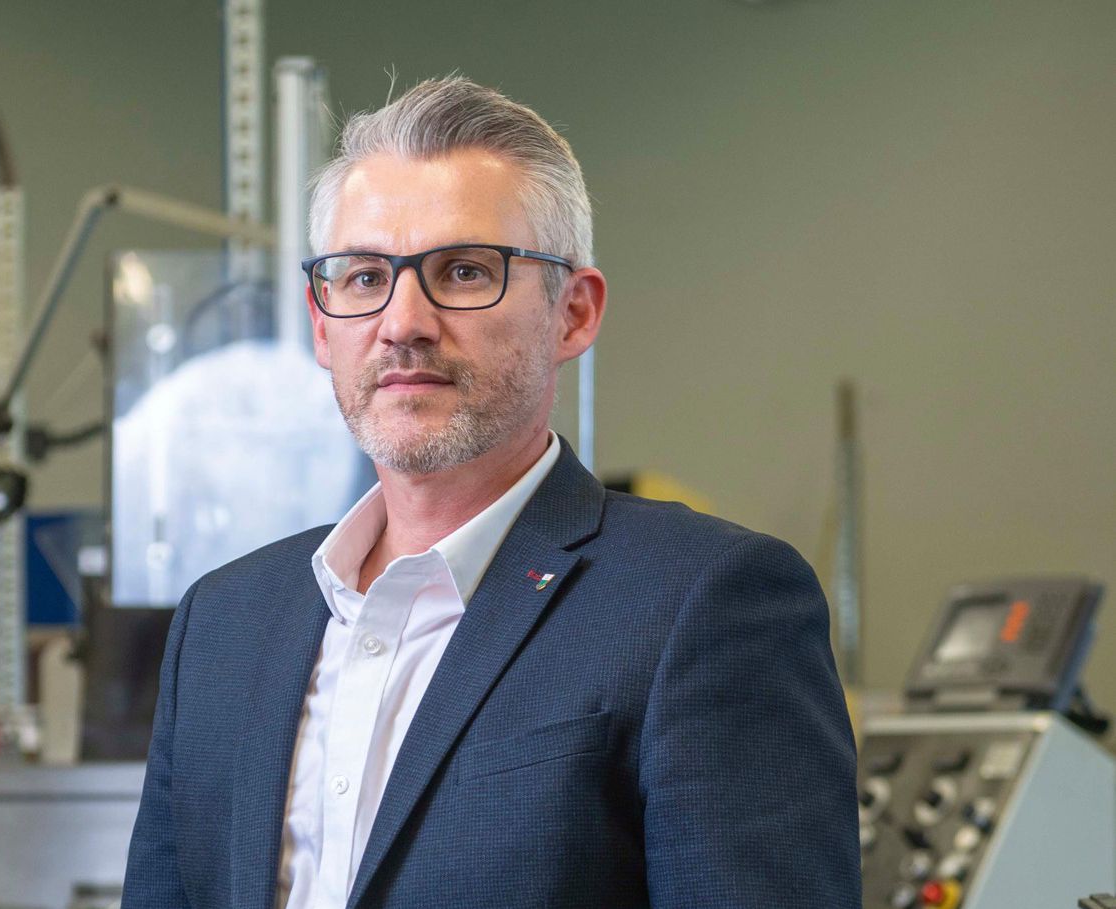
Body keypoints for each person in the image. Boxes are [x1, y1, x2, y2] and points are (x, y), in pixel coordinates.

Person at [121, 76, 860, 909]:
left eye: (464, 271)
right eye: (364, 277)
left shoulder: (704, 604)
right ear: (322, 326)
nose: (402, 322)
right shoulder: (222, 623)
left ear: (573, 313)